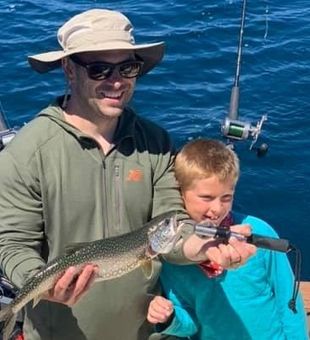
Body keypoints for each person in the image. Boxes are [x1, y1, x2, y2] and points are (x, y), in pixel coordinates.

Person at [0, 9, 256, 340]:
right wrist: (42, 283)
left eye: (127, 67)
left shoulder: (157, 142)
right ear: (69, 70)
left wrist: (206, 249)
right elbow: (11, 243)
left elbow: (172, 224)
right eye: (99, 69)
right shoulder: (26, 152)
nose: (117, 80)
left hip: (147, 331)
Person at [147, 139, 308, 339]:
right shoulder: (173, 255)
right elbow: (190, 322)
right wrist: (169, 317)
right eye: (206, 198)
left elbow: (288, 300)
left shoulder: (257, 231)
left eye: (226, 198)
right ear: (180, 194)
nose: (217, 209)